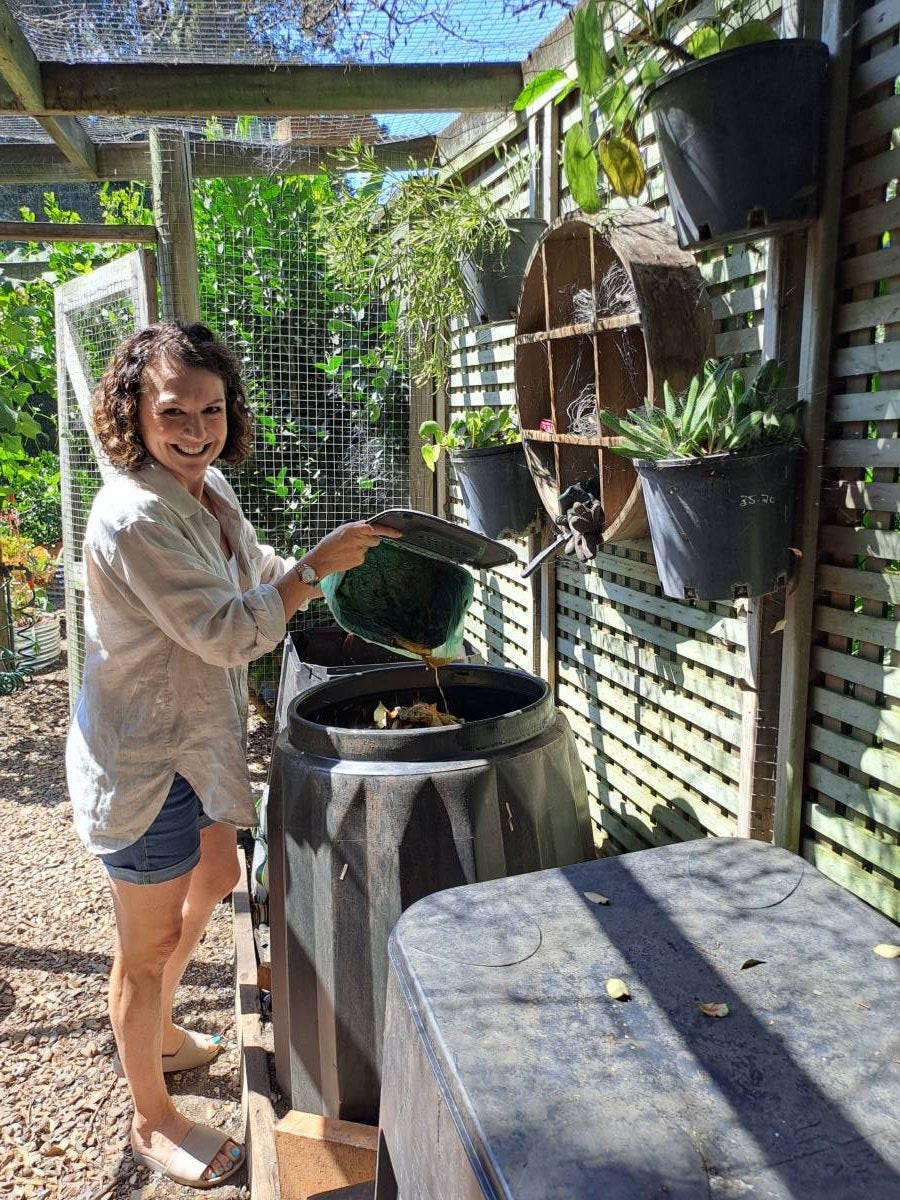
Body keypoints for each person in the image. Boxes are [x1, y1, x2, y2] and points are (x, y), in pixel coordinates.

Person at [66, 321, 400, 1189]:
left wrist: (329, 578)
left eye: (210, 409)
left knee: (215, 873)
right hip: (142, 760)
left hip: (192, 750)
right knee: (141, 951)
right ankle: (153, 1114)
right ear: (132, 409)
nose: (195, 428)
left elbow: (256, 572)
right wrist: (305, 577)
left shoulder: (205, 491)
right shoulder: (134, 513)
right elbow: (224, 632)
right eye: (173, 410)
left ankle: (164, 1027)